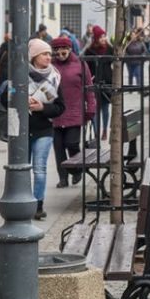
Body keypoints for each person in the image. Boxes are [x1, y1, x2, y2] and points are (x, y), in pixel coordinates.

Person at [0, 39, 64, 220]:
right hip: (20, 129)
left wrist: (42, 107)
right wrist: (20, 100)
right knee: (21, 168)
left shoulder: (54, 77)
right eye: (45, 54)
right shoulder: (19, 75)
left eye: (50, 54)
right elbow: (5, 100)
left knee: (39, 168)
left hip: (43, 129)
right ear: (34, 56)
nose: (49, 57)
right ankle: (22, 200)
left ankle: (37, 205)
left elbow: (60, 107)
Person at [50, 35, 96, 189]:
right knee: (58, 147)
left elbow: (89, 88)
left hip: (75, 111)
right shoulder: (50, 66)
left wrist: (91, 107)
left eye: (63, 52)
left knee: (72, 143)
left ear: (70, 50)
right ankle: (62, 178)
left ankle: (76, 169)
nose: (60, 56)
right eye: (57, 53)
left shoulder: (80, 64)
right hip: (55, 112)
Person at [82, 25, 113, 140]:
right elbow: (84, 64)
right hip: (94, 82)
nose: (103, 39)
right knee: (95, 108)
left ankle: (104, 130)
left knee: (105, 108)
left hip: (107, 82)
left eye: (104, 36)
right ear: (95, 38)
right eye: (101, 37)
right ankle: (96, 132)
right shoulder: (89, 51)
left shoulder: (110, 48)